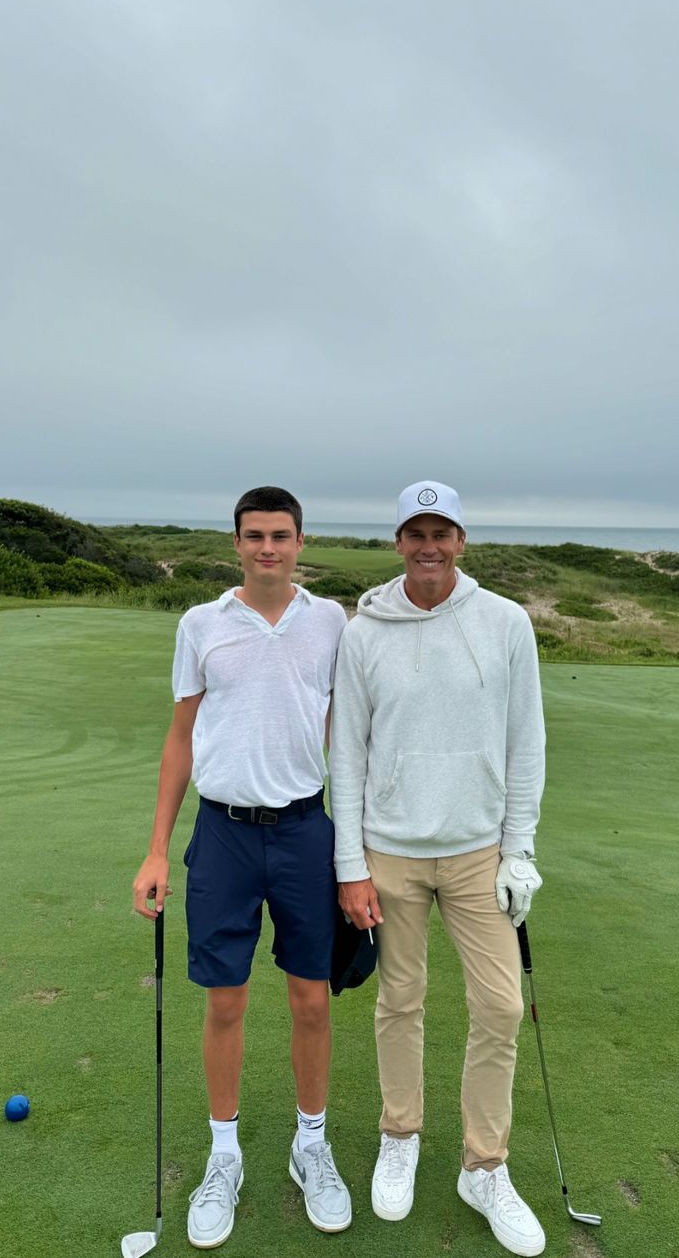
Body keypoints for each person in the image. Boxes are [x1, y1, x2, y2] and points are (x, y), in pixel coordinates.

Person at [330, 480, 547, 1258]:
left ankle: (484, 1167)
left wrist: (519, 849)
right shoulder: (365, 630)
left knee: (501, 1008)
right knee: (400, 1000)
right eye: (415, 533)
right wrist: (350, 865)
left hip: (477, 850)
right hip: (389, 850)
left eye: (442, 532)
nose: (429, 545)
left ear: (461, 540)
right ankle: (401, 1134)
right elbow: (347, 753)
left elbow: (528, 742)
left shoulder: (505, 622)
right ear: (398, 543)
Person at [132, 486, 351, 1248]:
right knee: (225, 1002)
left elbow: (343, 739)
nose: (268, 548)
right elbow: (179, 739)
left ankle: (310, 1144)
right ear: (236, 544)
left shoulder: (330, 622)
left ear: (300, 541)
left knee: (312, 1000)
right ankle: (223, 1157)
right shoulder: (202, 625)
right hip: (221, 835)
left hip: (303, 832)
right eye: (254, 535)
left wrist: (352, 854)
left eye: (281, 535)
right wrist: (158, 848)